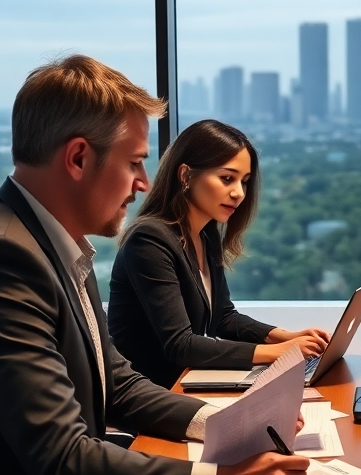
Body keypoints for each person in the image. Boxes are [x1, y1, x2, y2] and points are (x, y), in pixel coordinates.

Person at [0, 56, 309, 475]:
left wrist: (229, 426)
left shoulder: (54, 241)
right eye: (135, 162)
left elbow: (115, 383)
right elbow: (63, 460)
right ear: (77, 157)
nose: (144, 183)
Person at [108, 120, 329, 390]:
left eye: (244, 182)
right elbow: (181, 345)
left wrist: (285, 337)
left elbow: (224, 318)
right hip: (152, 395)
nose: (238, 193)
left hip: (186, 385)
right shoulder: (149, 240)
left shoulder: (205, 234)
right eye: (227, 178)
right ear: (186, 175)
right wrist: (281, 352)